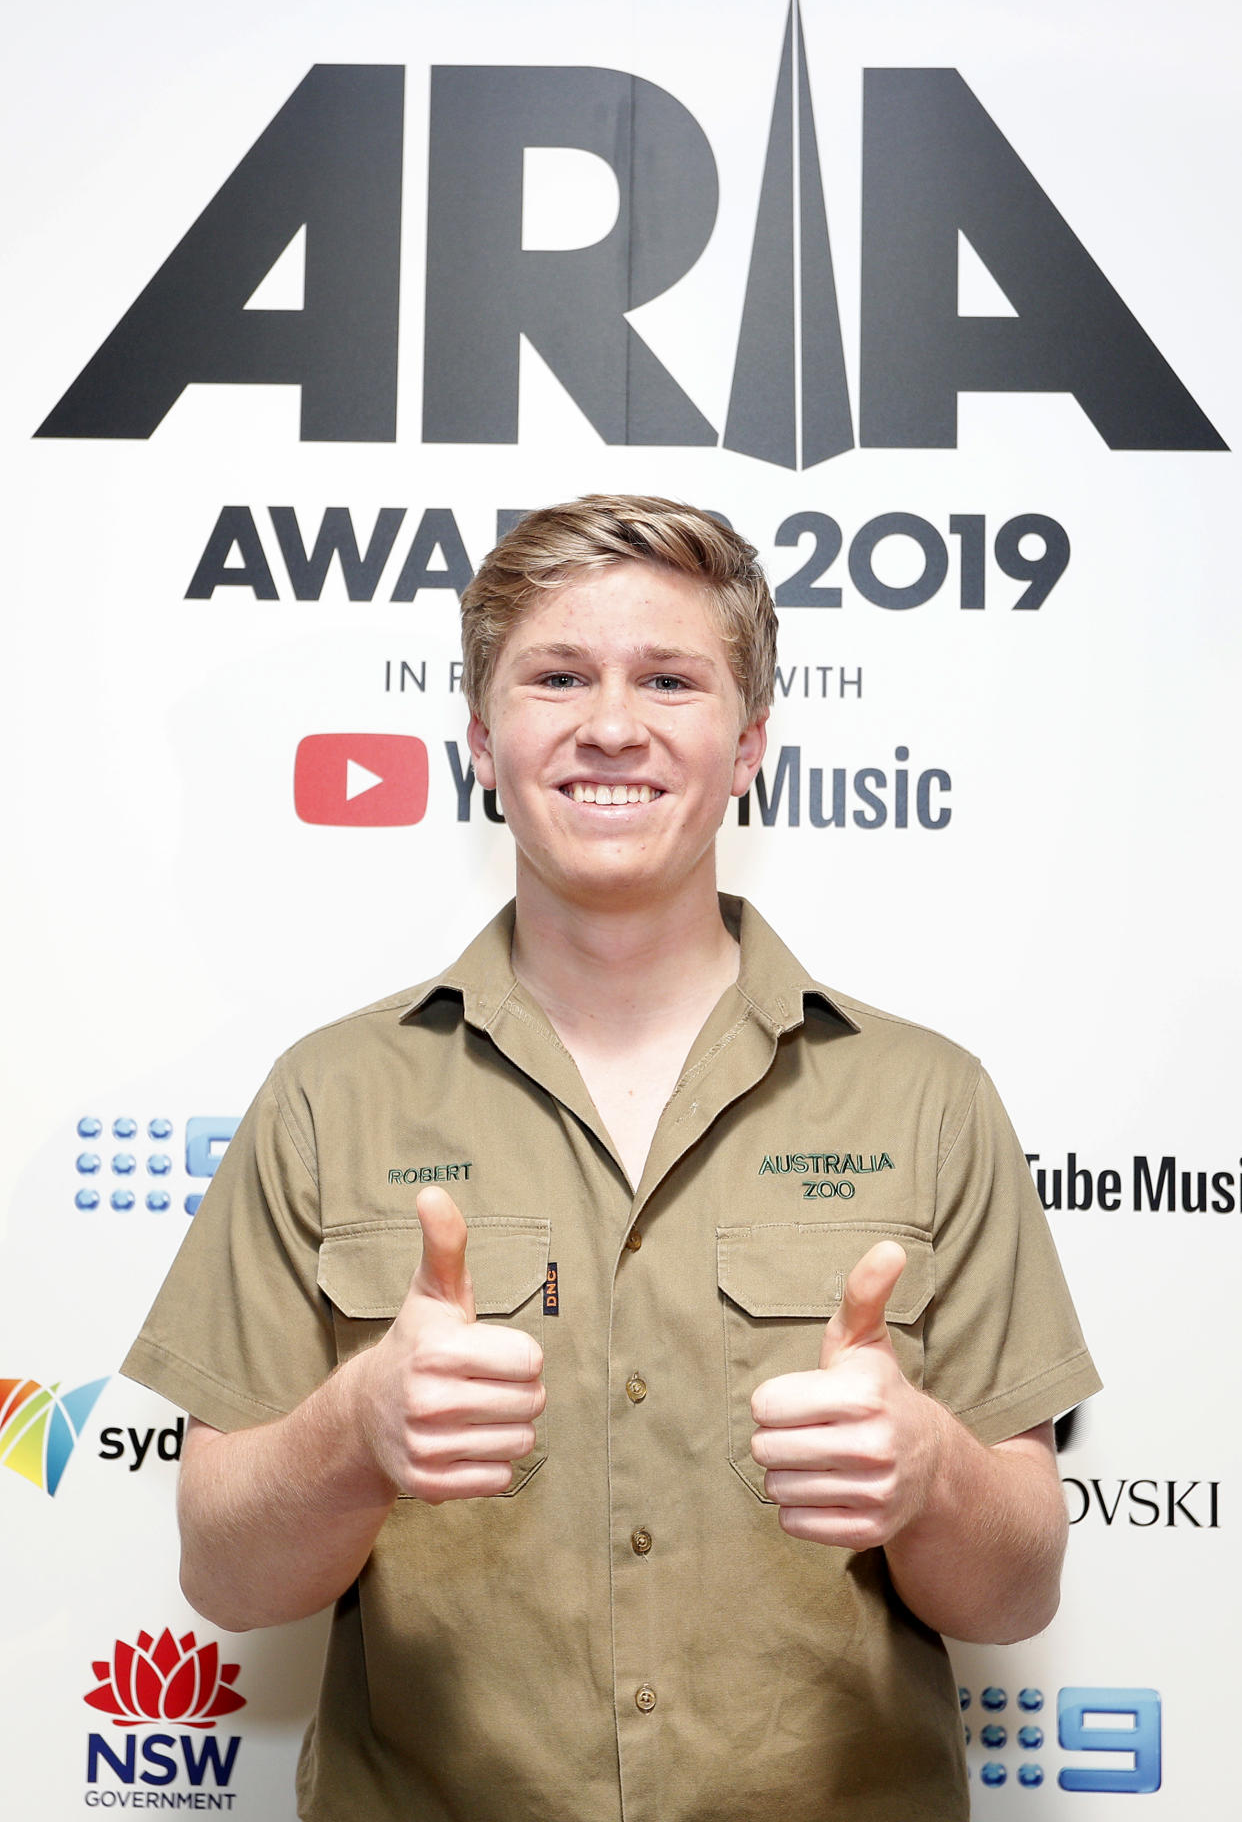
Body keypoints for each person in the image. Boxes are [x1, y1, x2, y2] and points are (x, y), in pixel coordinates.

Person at [122, 495, 1099, 1822]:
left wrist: (927, 1473)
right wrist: (356, 1429)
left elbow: (1015, 1593)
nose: (611, 724)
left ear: (750, 742)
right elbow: (226, 1581)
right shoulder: (325, 1096)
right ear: (480, 737)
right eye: (557, 676)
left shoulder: (927, 1098)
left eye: (670, 680)